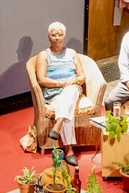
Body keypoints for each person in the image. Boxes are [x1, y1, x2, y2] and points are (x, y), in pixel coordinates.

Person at [35, 21, 86, 166]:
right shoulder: (43, 55)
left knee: (69, 94)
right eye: (54, 35)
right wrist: (61, 83)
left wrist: (73, 80)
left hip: (73, 88)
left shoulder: (71, 53)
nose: (57, 38)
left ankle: (57, 127)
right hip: (54, 92)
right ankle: (69, 150)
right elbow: (41, 80)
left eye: (60, 35)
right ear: (48, 37)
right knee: (66, 103)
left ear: (64, 36)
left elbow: (82, 77)